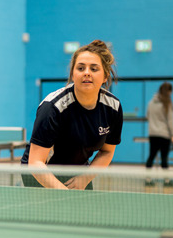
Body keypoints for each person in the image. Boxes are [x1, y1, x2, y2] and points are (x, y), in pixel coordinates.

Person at [21, 40, 123, 190]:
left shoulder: (113, 108)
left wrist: (84, 179)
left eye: (94, 69)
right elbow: (36, 162)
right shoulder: (53, 108)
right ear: (73, 75)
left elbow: (107, 152)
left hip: (78, 171)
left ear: (105, 76)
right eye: (81, 68)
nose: (86, 72)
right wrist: (63, 192)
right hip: (41, 171)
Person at [145, 82, 173, 186]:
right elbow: (170, 121)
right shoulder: (167, 104)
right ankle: (166, 180)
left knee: (151, 156)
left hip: (153, 134)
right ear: (168, 91)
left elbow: (148, 116)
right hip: (164, 135)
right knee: (164, 158)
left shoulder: (151, 103)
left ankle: (148, 179)